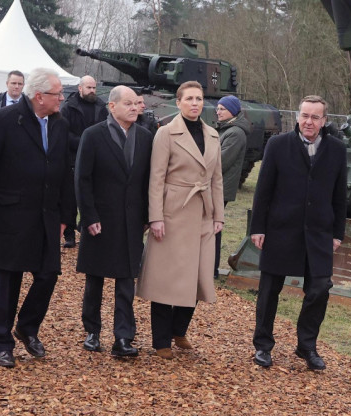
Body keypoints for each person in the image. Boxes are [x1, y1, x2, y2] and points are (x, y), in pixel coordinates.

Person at [0, 68, 75, 368]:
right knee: (7, 279)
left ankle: (27, 327)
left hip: (46, 216)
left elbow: (64, 170)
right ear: (39, 96)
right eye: (57, 94)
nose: (62, 98)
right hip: (10, 214)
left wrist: (66, 215)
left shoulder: (59, 123)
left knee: (47, 275)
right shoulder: (4, 120)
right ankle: (2, 342)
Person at [250, 95, 347, 371]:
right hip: (280, 229)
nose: (309, 121)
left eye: (316, 117)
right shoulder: (278, 145)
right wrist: (258, 227)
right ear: (297, 117)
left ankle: (307, 346)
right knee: (269, 290)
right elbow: (263, 190)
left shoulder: (337, 150)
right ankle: (263, 346)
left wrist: (338, 233)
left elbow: (340, 196)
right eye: (305, 115)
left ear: (324, 121)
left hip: (318, 232)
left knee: (319, 289)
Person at [136, 81, 224, 360]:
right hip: (173, 211)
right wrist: (155, 217)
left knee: (198, 275)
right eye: (189, 99)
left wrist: (218, 215)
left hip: (202, 213)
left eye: (199, 98)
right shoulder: (166, 133)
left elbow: (217, 179)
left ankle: (179, 329)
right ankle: (161, 340)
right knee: (165, 277)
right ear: (178, 102)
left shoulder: (212, 135)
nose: (195, 103)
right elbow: (156, 177)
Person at [75, 86, 153, 357]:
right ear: (112, 106)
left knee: (125, 280)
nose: (134, 108)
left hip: (131, 221)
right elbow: (82, 178)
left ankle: (123, 337)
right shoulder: (93, 135)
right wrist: (89, 216)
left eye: (136, 104)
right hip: (101, 219)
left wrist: (146, 216)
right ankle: (92, 330)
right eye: (128, 103)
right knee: (95, 278)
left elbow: (147, 182)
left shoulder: (145, 137)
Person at [60, 75, 108, 248]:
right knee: (71, 198)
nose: (92, 91)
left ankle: (90, 229)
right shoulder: (69, 107)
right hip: (73, 157)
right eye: (88, 87)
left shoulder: (101, 107)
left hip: (96, 158)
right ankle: (69, 235)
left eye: (94, 88)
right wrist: (84, 142)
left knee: (94, 197)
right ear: (80, 88)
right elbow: (63, 131)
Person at [213, 95, 249, 279]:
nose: (218, 112)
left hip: (220, 188)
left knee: (213, 228)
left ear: (232, 112)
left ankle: (211, 270)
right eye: (218, 108)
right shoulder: (227, 129)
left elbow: (221, 161)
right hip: (216, 186)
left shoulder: (235, 133)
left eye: (222, 109)